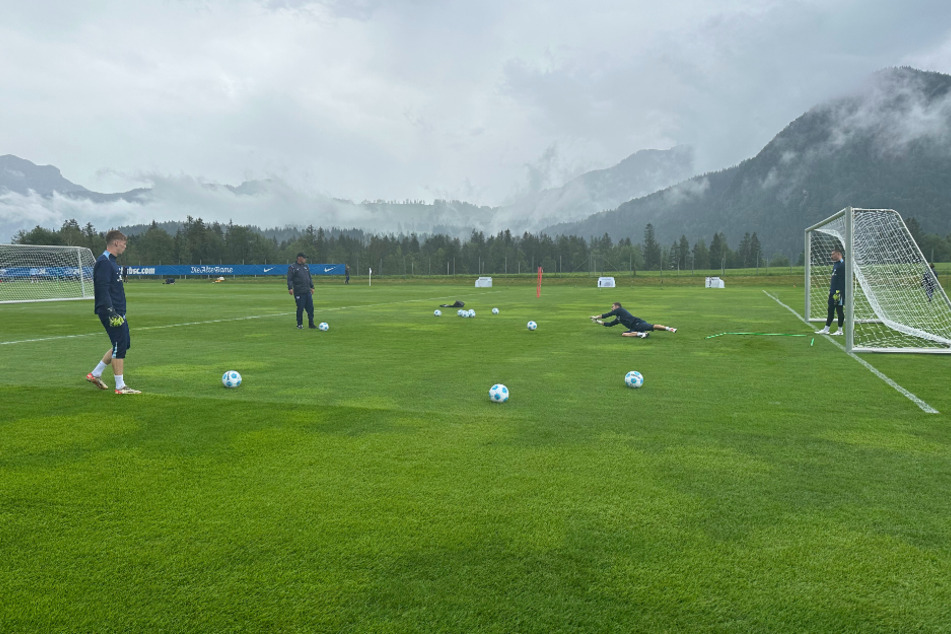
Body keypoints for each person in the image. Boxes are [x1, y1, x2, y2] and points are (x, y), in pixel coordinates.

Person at [85, 230, 141, 394]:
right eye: (124, 243)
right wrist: (111, 312)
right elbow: (102, 290)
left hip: (117, 312)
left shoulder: (112, 262)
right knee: (119, 345)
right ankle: (120, 386)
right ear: (116, 243)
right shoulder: (104, 262)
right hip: (111, 312)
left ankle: (95, 374)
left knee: (124, 344)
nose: (125, 246)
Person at [590, 302, 677, 338]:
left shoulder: (620, 310)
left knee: (653, 326)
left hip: (637, 323)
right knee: (624, 334)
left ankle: (670, 329)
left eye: (612, 306)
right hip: (633, 328)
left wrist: (596, 317)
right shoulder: (618, 318)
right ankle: (642, 334)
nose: (611, 308)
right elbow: (609, 324)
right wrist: (598, 322)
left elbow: (606, 315)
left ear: (617, 307)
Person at [816, 248, 845, 335]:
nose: (831, 256)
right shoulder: (836, 265)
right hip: (833, 291)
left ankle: (840, 330)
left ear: (838, 254)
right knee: (830, 309)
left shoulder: (843, 265)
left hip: (838, 292)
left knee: (839, 310)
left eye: (833, 254)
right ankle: (826, 329)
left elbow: (843, 280)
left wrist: (840, 292)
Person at [287, 252, 316, 329]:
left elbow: (309, 278)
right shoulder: (293, 267)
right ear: (299, 258)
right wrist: (290, 288)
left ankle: (311, 324)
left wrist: (312, 287)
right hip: (299, 291)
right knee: (300, 308)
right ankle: (299, 324)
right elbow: (290, 279)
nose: (305, 260)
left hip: (307, 291)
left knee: (310, 308)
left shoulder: (306, 267)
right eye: (304, 258)